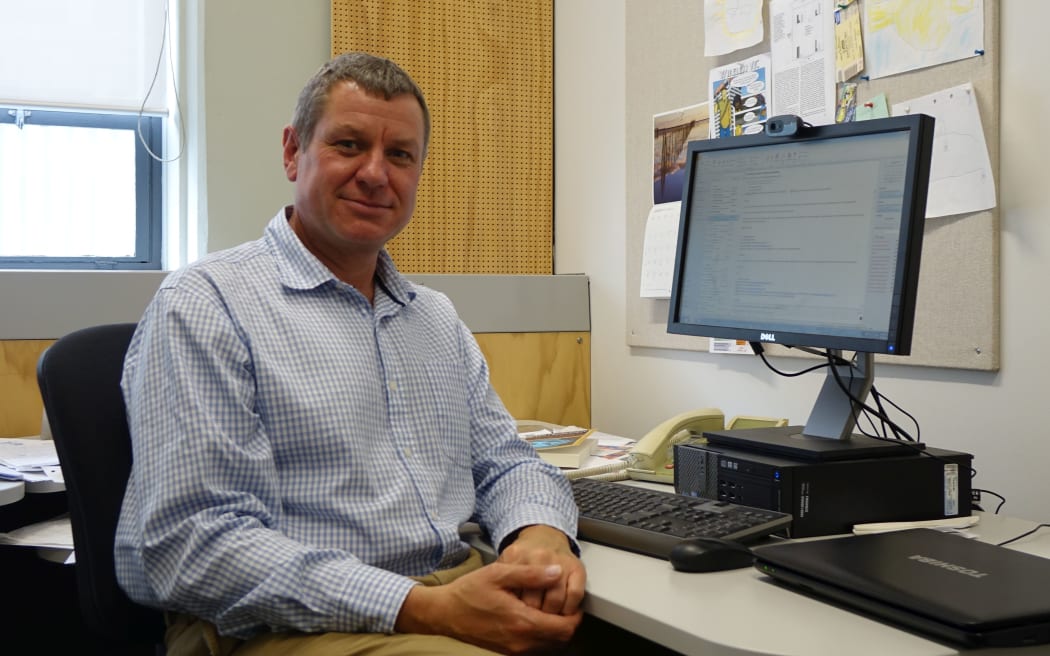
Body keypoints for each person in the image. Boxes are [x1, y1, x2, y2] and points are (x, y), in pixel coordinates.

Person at [114, 51, 586, 656]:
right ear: (292, 151)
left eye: (399, 155)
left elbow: (507, 461)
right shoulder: (208, 304)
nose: (374, 173)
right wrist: (425, 609)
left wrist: (539, 533)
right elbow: (190, 543)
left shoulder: (434, 318)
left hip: (453, 588)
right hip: (281, 627)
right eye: (348, 144)